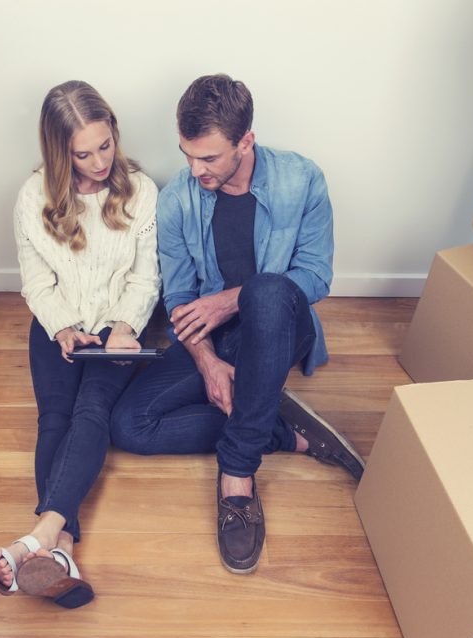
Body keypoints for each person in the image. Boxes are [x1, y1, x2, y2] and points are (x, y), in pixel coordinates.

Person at [110, 74, 362, 575]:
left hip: (283, 325)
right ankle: (284, 432)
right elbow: (180, 296)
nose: (194, 169)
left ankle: (238, 474)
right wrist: (206, 361)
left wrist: (231, 300)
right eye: (186, 154)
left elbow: (314, 277)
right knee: (128, 425)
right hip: (210, 337)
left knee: (266, 289)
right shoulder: (179, 197)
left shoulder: (302, 179)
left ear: (246, 141)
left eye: (208, 158)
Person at [0, 80, 159, 608]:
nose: (100, 161)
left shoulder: (142, 191)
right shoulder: (32, 197)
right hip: (57, 325)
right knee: (54, 417)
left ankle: (35, 539)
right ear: (60, 152)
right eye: (84, 153)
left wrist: (123, 327)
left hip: (117, 329)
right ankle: (62, 553)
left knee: (92, 410)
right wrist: (60, 328)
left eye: (106, 145)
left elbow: (146, 279)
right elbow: (34, 282)